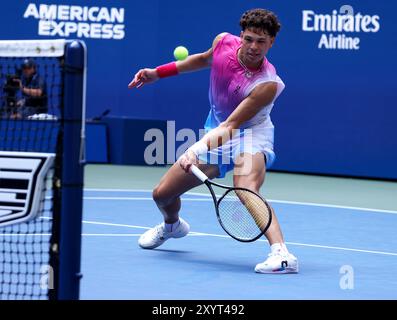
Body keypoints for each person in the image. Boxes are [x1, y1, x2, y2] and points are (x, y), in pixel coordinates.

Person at [128, 8, 298, 274]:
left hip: (251, 134)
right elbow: (201, 60)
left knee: (245, 187)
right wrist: (157, 73)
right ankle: (172, 226)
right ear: (241, 35)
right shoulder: (223, 42)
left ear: (271, 42)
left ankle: (282, 254)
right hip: (216, 130)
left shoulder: (267, 84)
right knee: (162, 194)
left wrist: (193, 150)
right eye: (249, 38)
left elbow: (231, 126)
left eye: (261, 41)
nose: (254, 47)